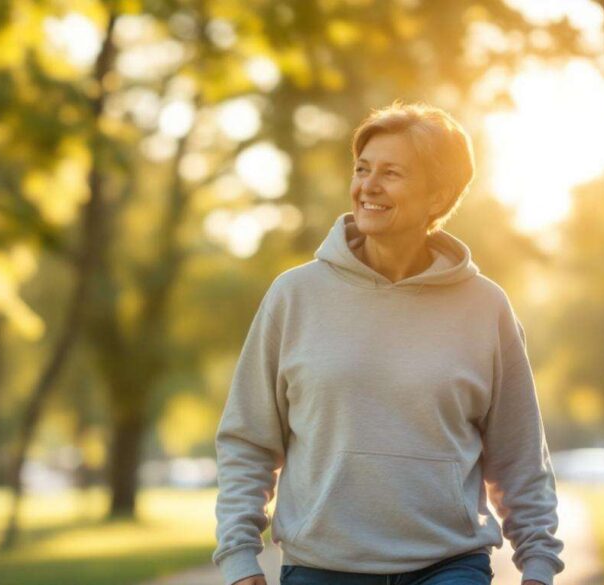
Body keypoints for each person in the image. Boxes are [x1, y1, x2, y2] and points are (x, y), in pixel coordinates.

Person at [212, 101, 565, 585]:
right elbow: (248, 439)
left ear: (437, 197)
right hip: (323, 567)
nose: (368, 186)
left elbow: (519, 454)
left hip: (449, 563)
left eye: (391, 173)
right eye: (362, 169)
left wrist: (539, 563)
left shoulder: (486, 307)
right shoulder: (294, 296)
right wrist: (238, 557)